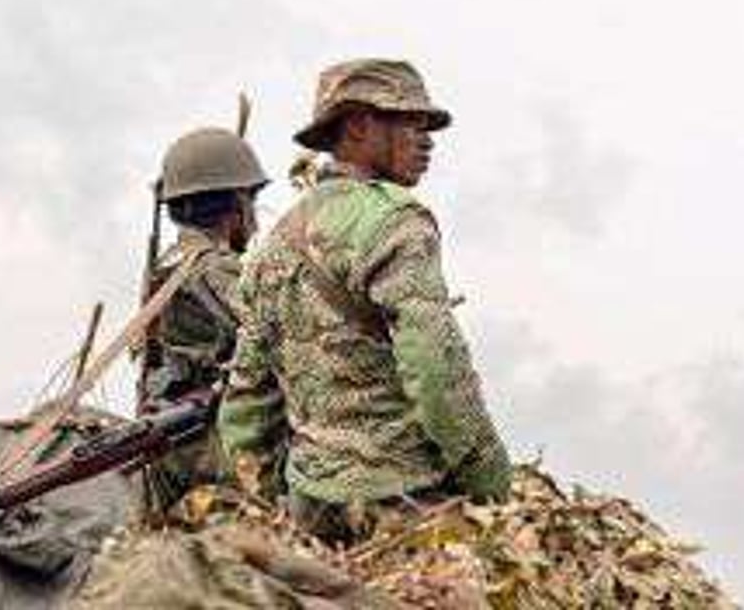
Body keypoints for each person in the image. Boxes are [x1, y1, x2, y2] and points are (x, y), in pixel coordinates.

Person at [217, 59, 512, 544]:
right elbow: (436, 370)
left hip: (312, 508)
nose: (427, 139)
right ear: (357, 125)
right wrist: (496, 488)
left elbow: (247, 403)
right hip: (405, 502)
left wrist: (274, 515)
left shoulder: (272, 246)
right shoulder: (396, 222)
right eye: (409, 122)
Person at [137, 126, 269, 515]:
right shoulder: (216, 269)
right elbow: (285, 338)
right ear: (236, 206)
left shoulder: (167, 267)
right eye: (251, 201)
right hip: (211, 441)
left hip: (171, 438)